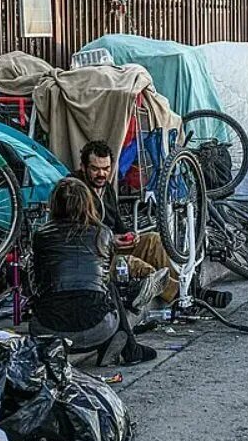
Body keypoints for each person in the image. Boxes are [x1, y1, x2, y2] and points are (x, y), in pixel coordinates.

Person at [75, 140, 230, 309]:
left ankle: (189, 290)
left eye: (106, 169)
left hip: (111, 245)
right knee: (135, 265)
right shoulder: (75, 191)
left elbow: (118, 223)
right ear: (83, 167)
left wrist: (129, 235)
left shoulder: (106, 188)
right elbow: (77, 235)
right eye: (95, 169)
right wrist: (111, 239)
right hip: (93, 257)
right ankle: (188, 296)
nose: (101, 174)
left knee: (153, 240)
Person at [30, 177, 157, 366]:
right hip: (97, 327)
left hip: (47, 329)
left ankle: (65, 349)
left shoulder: (40, 235)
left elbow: (36, 282)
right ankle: (130, 350)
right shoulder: (103, 233)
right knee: (108, 287)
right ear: (88, 203)